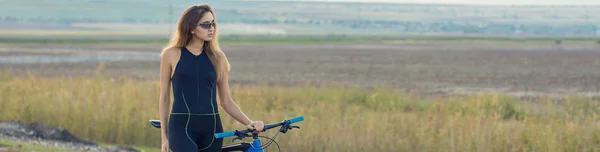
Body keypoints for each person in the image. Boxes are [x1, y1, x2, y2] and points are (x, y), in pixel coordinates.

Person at [158, 4, 264, 152]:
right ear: (191, 28)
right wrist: (164, 137)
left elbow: (226, 101)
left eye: (213, 24)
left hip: (212, 129)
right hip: (181, 128)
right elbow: (164, 97)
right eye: (205, 25)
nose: (211, 28)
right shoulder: (170, 54)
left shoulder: (218, 57)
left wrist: (250, 123)